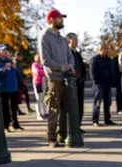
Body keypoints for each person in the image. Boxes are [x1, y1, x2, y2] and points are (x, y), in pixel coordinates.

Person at [38, 8, 75, 148]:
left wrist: (70, 66)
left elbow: (70, 56)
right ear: (51, 20)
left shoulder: (63, 39)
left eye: (62, 18)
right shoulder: (45, 37)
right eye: (59, 18)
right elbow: (46, 61)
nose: (62, 20)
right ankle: (51, 138)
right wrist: (64, 67)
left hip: (66, 79)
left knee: (65, 109)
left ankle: (63, 135)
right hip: (54, 79)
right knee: (54, 109)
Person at [0, 44, 23, 132]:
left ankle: (15, 124)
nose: (5, 51)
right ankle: (6, 126)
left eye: (6, 50)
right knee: (5, 108)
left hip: (13, 87)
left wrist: (14, 68)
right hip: (3, 88)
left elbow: (16, 74)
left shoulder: (10, 61)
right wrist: (2, 69)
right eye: (3, 50)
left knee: (14, 107)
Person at [66, 33, 87, 132]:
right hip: (71, 84)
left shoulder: (77, 53)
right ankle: (72, 127)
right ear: (69, 41)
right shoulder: (66, 53)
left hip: (79, 83)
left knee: (80, 105)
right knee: (72, 106)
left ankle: (78, 125)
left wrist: (82, 78)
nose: (77, 41)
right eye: (75, 39)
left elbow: (82, 68)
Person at [90, 44, 114, 126]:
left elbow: (111, 71)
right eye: (105, 49)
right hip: (98, 84)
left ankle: (107, 119)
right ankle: (95, 120)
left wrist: (112, 81)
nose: (107, 50)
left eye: (107, 49)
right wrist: (96, 82)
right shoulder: (94, 59)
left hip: (107, 83)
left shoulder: (108, 59)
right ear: (100, 49)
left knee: (107, 103)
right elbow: (92, 72)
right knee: (97, 103)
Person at [13, 51, 33, 115]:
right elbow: (18, 74)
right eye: (21, 56)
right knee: (17, 97)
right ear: (18, 56)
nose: (22, 58)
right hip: (18, 82)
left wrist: (26, 75)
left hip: (20, 81)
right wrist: (23, 79)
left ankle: (27, 108)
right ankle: (20, 110)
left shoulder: (18, 63)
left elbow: (20, 73)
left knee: (24, 94)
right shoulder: (15, 63)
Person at [32, 54, 48, 120]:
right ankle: (39, 115)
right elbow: (38, 72)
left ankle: (45, 113)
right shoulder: (34, 65)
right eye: (39, 58)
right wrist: (45, 72)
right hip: (38, 83)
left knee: (43, 99)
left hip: (43, 83)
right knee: (38, 99)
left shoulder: (42, 65)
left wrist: (45, 71)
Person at [112, 49, 122, 115]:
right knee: (119, 94)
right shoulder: (115, 59)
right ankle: (119, 108)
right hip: (118, 79)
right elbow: (114, 70)